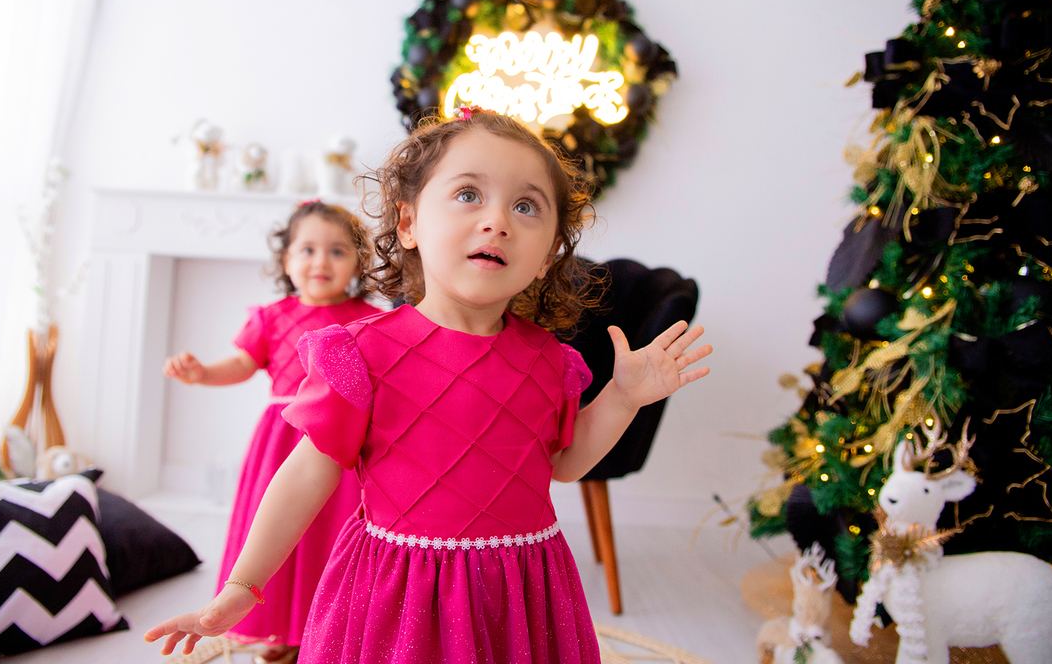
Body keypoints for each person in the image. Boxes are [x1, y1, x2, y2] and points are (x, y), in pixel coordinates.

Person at [147, 108, 712, 664]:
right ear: (409, 223)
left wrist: (622, 398)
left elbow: (564, 464)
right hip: (399, 595)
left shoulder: (550, 362)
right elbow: (302, 476)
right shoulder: (361, 356)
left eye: (525, 206)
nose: (498, 221)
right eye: (469, 195)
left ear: (546, 257)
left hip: (518, 595)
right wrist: (241, 588)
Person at [163, 200, 381, 664]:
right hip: (283, 440)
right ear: (286, 261)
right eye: (307, 250)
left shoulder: (369, 321)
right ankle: (279, 630)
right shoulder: (272, 316)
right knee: (278, 528)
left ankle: (329, 627)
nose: (320, 261)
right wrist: (202, 373)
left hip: (342, 444)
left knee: (333, 530)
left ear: (358, 263)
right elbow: (242, 364)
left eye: (338, 251)